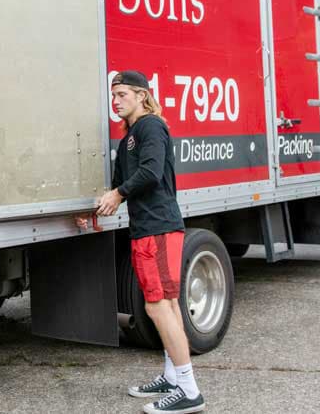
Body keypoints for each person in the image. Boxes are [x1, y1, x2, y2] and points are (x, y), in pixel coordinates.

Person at [79, 70, 205, 413]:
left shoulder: (151, 126)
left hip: (159, 228)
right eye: (113, 95)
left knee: (157, 306)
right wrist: (95, 211)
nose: (116, 101)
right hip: (146, 229)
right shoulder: (129, 138)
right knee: (169, 304)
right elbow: (119, 186)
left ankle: (190, 390)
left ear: (142, 96)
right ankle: (172, 376)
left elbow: (149, 173)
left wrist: (118, 194)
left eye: (122, 95)